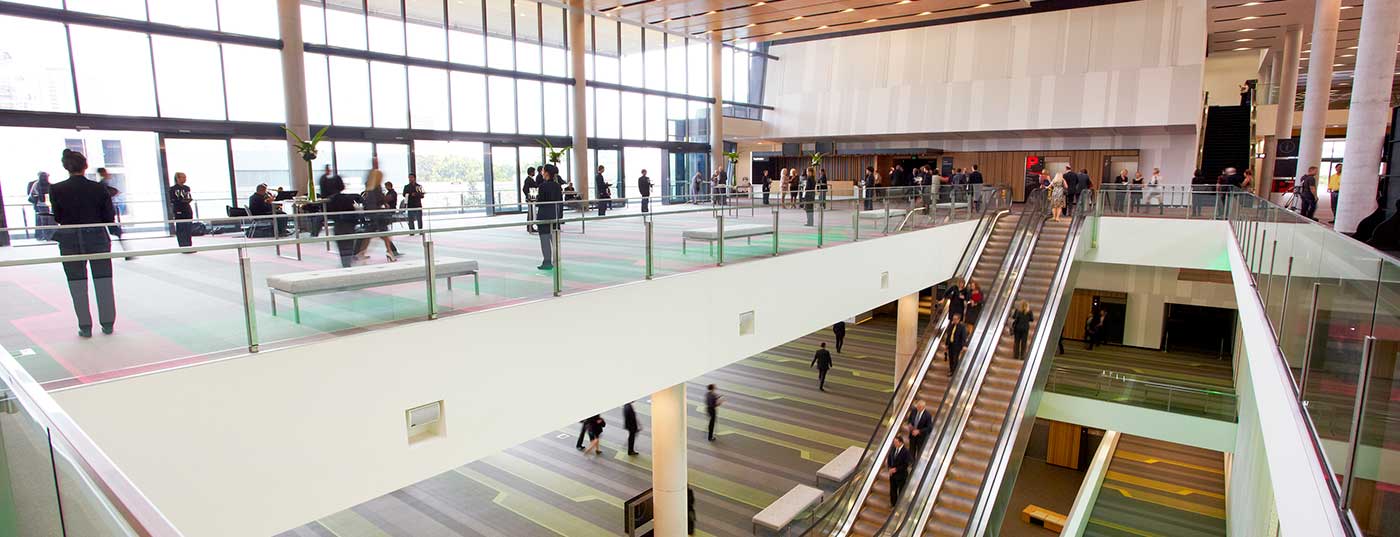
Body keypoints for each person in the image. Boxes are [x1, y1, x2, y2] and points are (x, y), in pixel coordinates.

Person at [49, 149, 117, 337]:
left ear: (66, 167)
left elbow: (59, 216)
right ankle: (108, 323)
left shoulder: (56, 189)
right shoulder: (98, 188)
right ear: (85, 166)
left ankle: (85, 326)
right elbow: (108, 216)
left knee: (77, 283)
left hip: (70, 238)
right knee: (103, 280)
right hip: (97, 237)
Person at [357, 170, 399, 262]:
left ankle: (362, 252)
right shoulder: (376, 187)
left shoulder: (369, 187)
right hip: (377, 215)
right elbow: (379, 199)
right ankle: (389, 251)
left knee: (370, 234)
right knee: (383, 234)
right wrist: (386, 200)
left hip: (371, 213)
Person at [325, 177, 363, 268]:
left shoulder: (331, 200)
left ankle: (345, 264)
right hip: (349, 226)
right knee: (349, 245)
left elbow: (329, 214)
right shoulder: (348, 198)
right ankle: (347, 263)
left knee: (342, 246)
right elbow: (354, 213)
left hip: (338, 225)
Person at [536, 165, 564, 270]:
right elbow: (560, 202)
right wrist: (560, 216)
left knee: (544, 240)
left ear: (547, 173)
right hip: (554, 216)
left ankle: (547, 262)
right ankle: (557, 262)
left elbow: (540, 203)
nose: (542, 173)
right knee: (555, 240)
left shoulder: (542, 186)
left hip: (544, 216)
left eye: (543, 171)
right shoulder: (557, 186)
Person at [169, 172, 194, 248]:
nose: (185, 179)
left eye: (185, 177)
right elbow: (172, 200)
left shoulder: (187, 188)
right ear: (178, 178)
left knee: (188, 228)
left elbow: (188, 197)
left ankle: (189, 245)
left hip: (187, 209)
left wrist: (187, 200)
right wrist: (180, 201)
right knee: (181, 228)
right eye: (183, 177)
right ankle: (182, 245)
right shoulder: (172, 189)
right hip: (179, 210)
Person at [29, 171, 56, 241]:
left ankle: (48, 236)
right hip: (42, 205)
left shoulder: (41, 185)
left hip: (45, 205)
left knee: (48, 221)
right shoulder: (37, 185)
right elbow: (33, 195)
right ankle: (47, 236)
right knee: (46, 221)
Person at [886, 435, 911, 505]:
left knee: (901, 491)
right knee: (893, 490)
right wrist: (889, 468)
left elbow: (906, 464)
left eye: (896, 442)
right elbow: (889, 459)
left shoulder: (906, 452)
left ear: (901, 443)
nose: (895, 444)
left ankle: (899, 505)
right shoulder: (893, 449)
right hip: (892, 475)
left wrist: (896, 469)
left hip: (901, 475)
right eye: (894, 442)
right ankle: (893, 504)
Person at [945, 312, 969, 376]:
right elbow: (949, 335)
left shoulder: (962, 327)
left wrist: (964, 345)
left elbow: (964, 337)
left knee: (955, 358)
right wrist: (946, 344)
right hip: (951, 345)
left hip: (957, 345)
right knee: (951, 358)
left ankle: (954, 371)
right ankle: (951, 370)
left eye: (955, 319)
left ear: (958, 320)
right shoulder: (951, 326)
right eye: (953, 319)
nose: (954, 320)